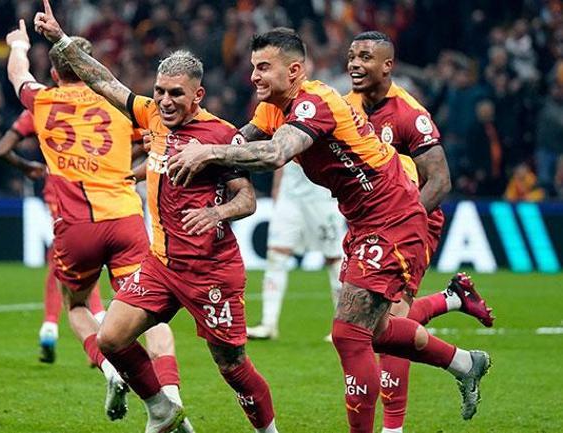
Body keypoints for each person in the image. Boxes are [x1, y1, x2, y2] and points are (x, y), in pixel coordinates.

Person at [168, 28, 491, 433]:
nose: (254, 76)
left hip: (393, 214)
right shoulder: (272, 108)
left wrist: (209, 152)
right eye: (253, 67)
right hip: (362, 219)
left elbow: (274, 153)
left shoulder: (314, 101)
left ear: (294, 71)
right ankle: (464, 362)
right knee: (377, 330)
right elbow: (235, 140)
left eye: (264, 67)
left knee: (348, 334)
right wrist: (170, 144)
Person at [34, 4, 279, 433]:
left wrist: (217, 211)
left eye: (176, 94)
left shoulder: (221, 136)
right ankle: (162, 409)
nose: (165, 101)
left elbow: (247, 199)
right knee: (111, 338)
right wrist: (61, 39)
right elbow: (103, 80)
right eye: (160, 91)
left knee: (232, 365)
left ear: (197, 96)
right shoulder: (150, 114)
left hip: (210, 271)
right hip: (161, 265)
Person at [5, 22, 191, 429]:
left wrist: (18, 45)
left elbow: (18, 74)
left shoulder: (43, 101)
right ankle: (172, 394)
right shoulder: (118, 103)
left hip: (76, 227)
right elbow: (155, 141)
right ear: (90, 66)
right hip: (125, 219)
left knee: (75, 305)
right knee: (150, 313)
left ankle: (110, 370)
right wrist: (132, 165)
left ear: (55, 72)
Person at [344, 31, 496, 433]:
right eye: (352, 56)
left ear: (387, 66)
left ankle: (393, 429)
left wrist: (398, 223)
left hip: (409, 223)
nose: (355, 63)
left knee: (386, 319)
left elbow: (440, 181)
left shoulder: (410, 114)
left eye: (365, 57)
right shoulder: (345, 107)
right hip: (366, 224)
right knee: (374, 328)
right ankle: (460, 338)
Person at [0, 108, 107, 364]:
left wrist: (26, 166)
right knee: (80, 255)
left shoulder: (41, 105)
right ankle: (95, 320)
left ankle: (55, 326)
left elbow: (1, 149)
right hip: (95, 184)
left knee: (65, 255)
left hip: (58, 185)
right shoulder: (96, 105)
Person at [242, 91, 346, 342]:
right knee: (276, 254)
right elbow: (281, 154)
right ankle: (268, 324)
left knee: (334, 258)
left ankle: (344, 326)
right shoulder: (279, 111)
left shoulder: (317, 107)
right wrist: (277, 190)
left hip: (320, 195)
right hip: (290, 195)